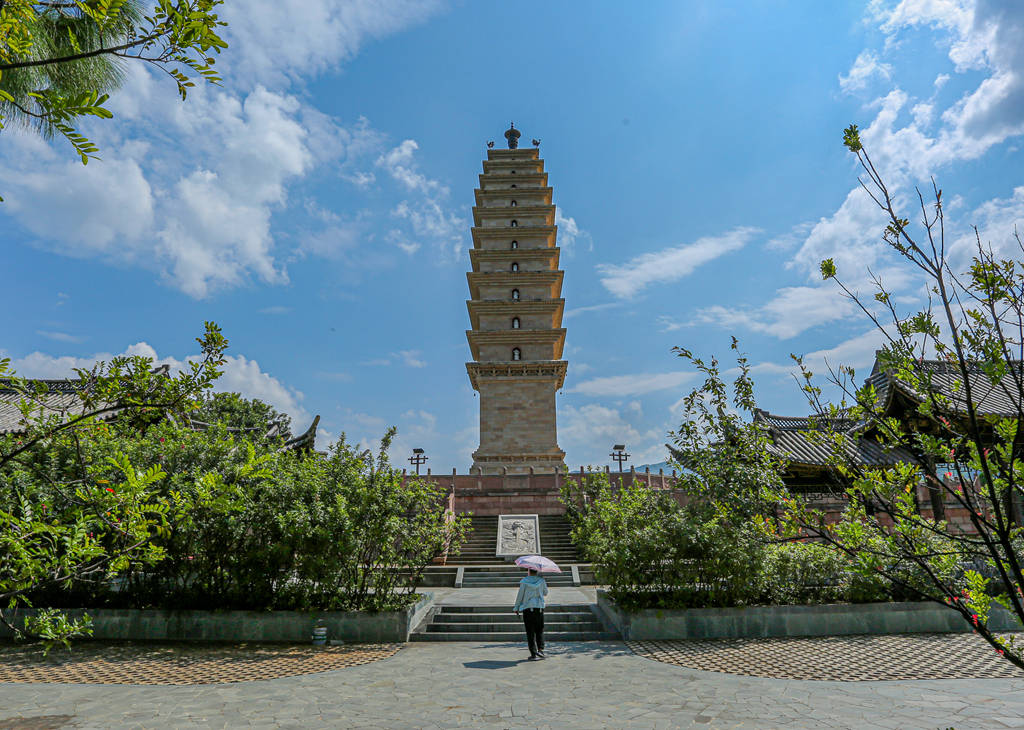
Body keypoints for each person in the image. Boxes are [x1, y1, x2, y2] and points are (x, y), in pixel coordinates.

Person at [513, 568, 548, 660]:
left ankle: (533, 653)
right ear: (537, 572)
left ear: (528, 571)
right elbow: (545, 593)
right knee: (539, 630)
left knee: (530, 631)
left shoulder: (524, 582)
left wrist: (516, 607)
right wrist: (542, 584)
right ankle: (540, 650)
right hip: (539, 608)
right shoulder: (541, 580)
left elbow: (520, 595)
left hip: (528, 608)